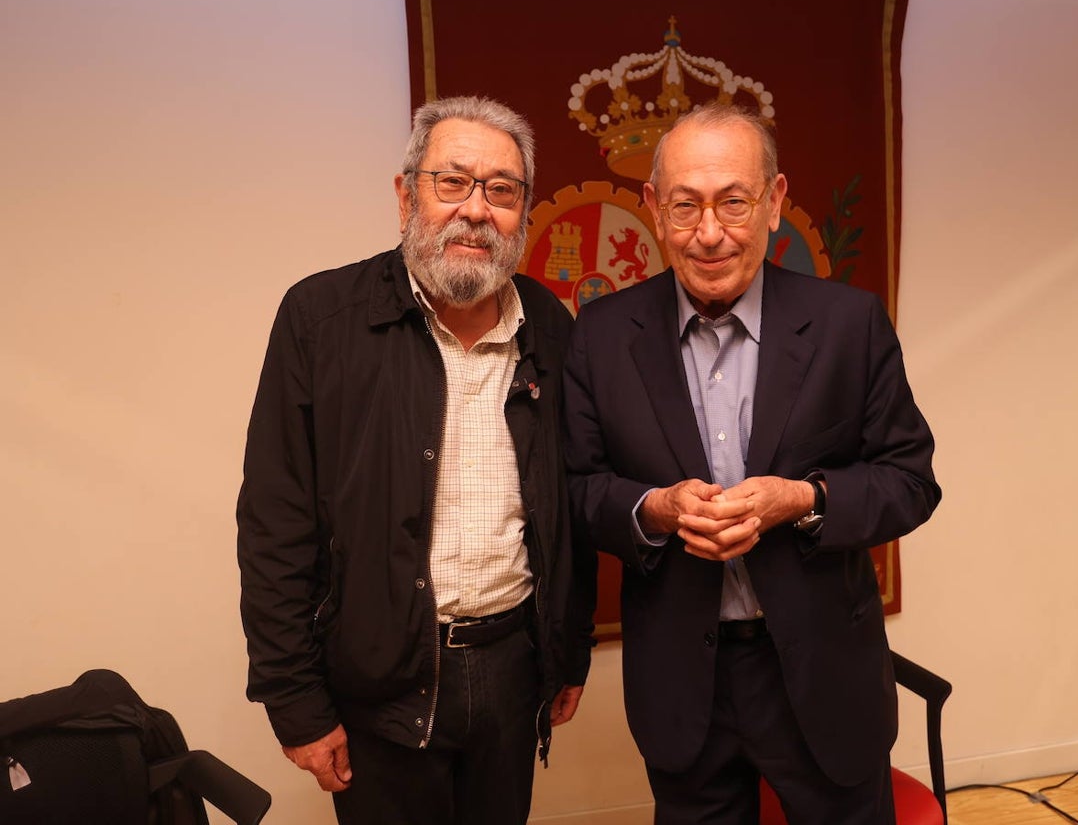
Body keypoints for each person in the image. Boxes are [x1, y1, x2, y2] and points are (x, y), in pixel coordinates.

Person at [563, 104, 940, 824]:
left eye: (734, 202)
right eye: (685, 206)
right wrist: (656, 510)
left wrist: (803, 499)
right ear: (652, 208)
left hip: (824, 674)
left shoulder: (848, 325)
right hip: (682, 684)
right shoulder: (602, 337)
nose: (710, 233)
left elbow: (910, 481)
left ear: (775, 202)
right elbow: (577, 492)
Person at [237, 96, 594, 825]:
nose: (476, 210)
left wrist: (568, 649)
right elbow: (275, 523)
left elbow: (572, 505)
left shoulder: (552, 328)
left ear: (522, 212)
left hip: (512, 668)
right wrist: (295, 701)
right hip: (379, 679)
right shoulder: (320, 320)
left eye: (501, 190)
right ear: (406, 195)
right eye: (452, 182)